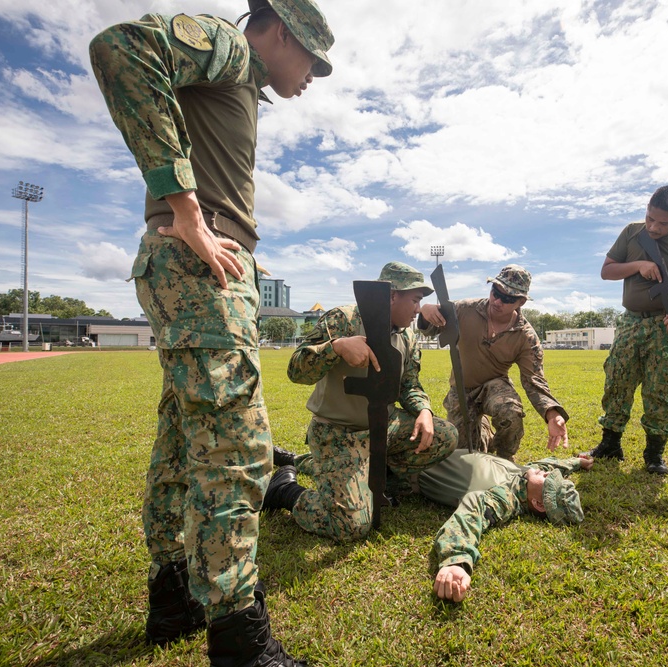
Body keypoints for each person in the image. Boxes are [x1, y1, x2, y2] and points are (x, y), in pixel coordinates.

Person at [89, 1, 333, 665]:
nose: (315, 74)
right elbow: (122, 48)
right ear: (279, 32)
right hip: (198, 266)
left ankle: (173, 592)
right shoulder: (230, 47)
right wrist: (190, 210)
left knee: (181, 434)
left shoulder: (241, 81)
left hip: (205, 264)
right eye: (311, 56)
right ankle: (239, 639)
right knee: (237, 446)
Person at [266, 262, 458, 542]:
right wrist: (336, 348)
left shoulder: (408, 334)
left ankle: (369, 476)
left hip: (384, 426)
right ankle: (285, 489)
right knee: (350, 525)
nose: (419, 309)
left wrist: (424, 410)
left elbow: (410, 384)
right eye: (415, 300)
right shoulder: (342, 319)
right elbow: (296, 369)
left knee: (444, 435)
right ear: (392, 296)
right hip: (339, 432)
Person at [588, 185, 668, 475]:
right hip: (630, 321)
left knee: (661, 388)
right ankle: (610, 444)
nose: (654, 227)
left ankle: (654, 454)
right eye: (650, 218)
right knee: (617, 380)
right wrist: (638, 265)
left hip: (667, 324)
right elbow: (607, 271)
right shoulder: (632, 232)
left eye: (664, 223)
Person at [417, 265, 569, 461]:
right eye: (495, 292)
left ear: (521, 302)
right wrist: (426, 311)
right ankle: (483, 433)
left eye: (507, 299)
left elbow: (534, 380)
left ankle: (505, 458)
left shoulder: (526, 336)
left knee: (510, 412)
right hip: (461, 390)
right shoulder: (464, 309)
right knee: (464, 453)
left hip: (494, 386)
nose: (497, 301)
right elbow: (430, 329)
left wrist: (552, 413)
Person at [423, 449, 591, 602]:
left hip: (414, 460)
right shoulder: (528, 475)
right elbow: (550, 465)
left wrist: (456, 561)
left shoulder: (506, 498)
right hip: (438, 448)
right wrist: (577, 462)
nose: (546, 473)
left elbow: (474, 510)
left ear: (539, 504)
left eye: (548, 479)